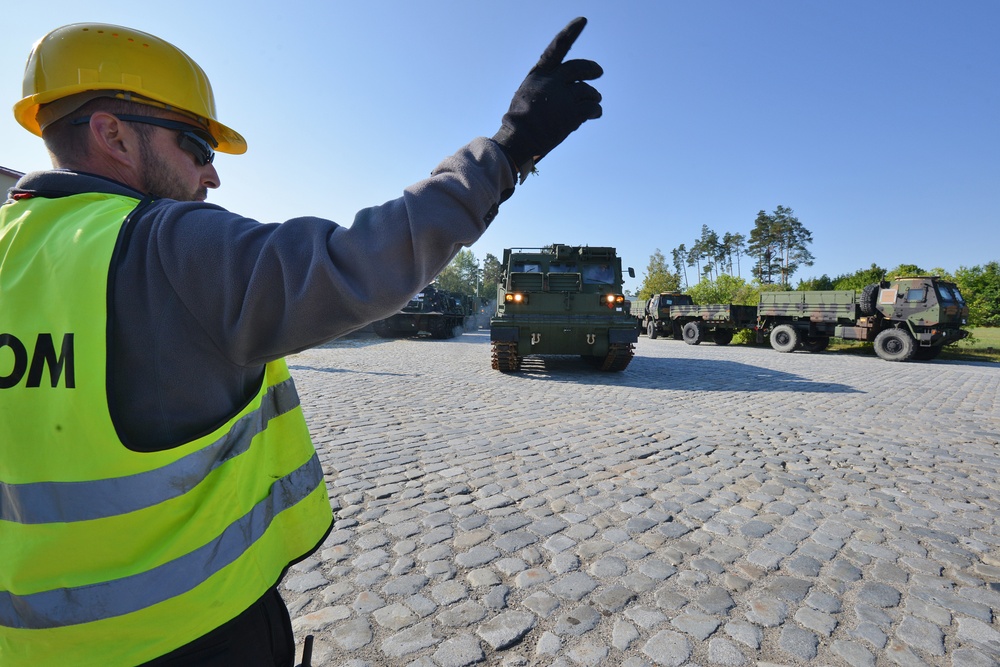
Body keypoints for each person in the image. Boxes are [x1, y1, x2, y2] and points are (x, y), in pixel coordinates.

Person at [0, 17, 602, 667]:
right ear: (111, 132)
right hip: (190, 633)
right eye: (197, 146)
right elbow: (362, 260)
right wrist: (510, 149)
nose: (212, 177)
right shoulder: (166, 245)